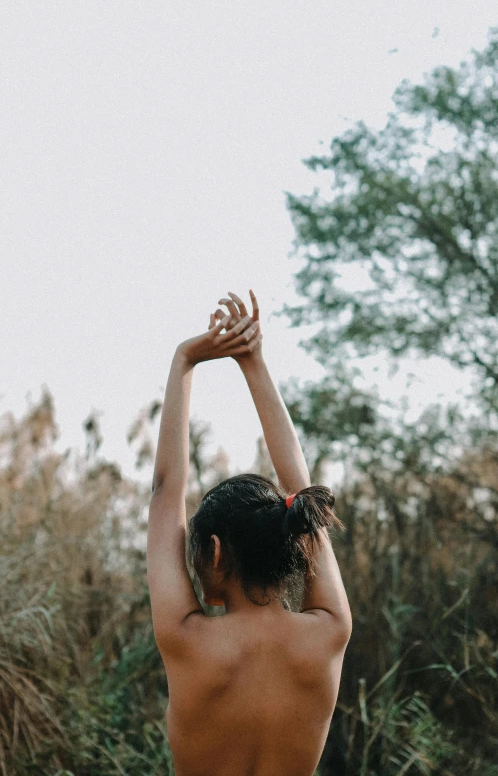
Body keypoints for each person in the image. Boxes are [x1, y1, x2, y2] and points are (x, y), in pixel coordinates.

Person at [147, 289, 352, 776]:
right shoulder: (329, 632)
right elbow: (303, 489)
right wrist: (254, 362)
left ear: (215, 552)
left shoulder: (186, 640)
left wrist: (184, 362)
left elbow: (164, 494)